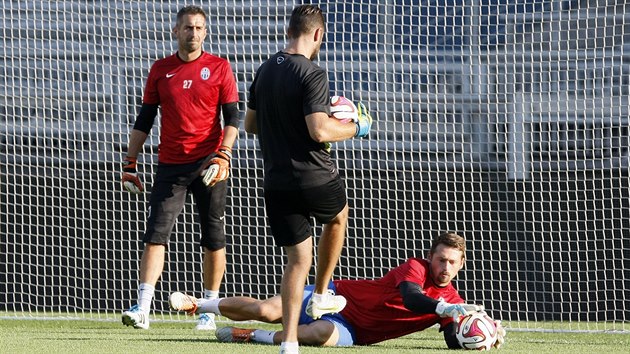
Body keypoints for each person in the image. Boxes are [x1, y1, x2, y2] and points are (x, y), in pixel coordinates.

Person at [241, 4, 373, 354]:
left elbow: (250, 126)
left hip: (276, 183)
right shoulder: (313, 73)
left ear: (290, 30)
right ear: (317, 34)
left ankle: (289, 343)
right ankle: (324, 293)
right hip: (314, 177)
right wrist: (355, 126)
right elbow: (319, 131)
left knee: (297, 261)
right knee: (339, 216)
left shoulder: (264, 70)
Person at [168, 232, 506, 349]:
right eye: (440, 259)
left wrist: (484, 335)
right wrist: (443, 310)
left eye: (451, 263)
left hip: (354, 331)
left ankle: (248, 336)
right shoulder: (415, 268)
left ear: (460, 265)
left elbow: (452, 340)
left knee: (315, 334)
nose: (444, 267)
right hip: (334, 295)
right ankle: (201, 304)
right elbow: (411, 298)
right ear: (430, 256)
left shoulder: (457, 302)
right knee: (268, 310)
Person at [120, 5, 240, 331]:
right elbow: (144, 120)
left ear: (206, 32)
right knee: (155, 234)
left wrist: (224, 154)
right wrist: (130, 161)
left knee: (213, 237)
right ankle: (143, 308)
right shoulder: (160, 69)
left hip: (209, 163)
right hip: (170, 164)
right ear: (176, 31)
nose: (194, 33)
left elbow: (234, 118)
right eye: (188, 27)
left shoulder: (219, 67)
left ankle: (207, 309)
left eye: (200, 28)